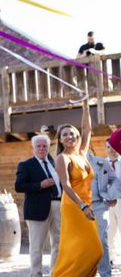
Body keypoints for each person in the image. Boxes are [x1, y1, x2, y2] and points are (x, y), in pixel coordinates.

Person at [52, 102, 103, 276]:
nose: (69, 136)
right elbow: (65, 185)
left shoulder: (81, 153)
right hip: (74, 207)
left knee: (89, 250)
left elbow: (86, 129)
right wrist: (82, 206)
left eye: (72, 133)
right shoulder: (62, 158)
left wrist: (86, 106)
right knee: (93, 250)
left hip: (87, 206)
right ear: (60, 139)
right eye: (65, 134)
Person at [14, 134, 62, 277]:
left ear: (48, 148)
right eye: (39, 146)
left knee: (59, 243)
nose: (42, 149)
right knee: (36, 246)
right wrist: (39, 185)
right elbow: (19, 186)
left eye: (44, 146)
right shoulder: (26, 165)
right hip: (37, 209)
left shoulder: (53, 163)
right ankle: (36, 274)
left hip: (58, 206)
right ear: (33, 148)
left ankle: (55, 273)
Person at [88, 148, 121, 277]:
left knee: (102, 240)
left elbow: (114, 180)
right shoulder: (65, 160)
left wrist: (111, 195)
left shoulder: (99, 162)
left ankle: (106, 273)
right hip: (74, 207)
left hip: (99, 205)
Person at [106, 138, 121, 262]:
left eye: (113, 147)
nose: (111, 150)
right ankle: (112, 258)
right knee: (109, 231)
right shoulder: (101, 164)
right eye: (108, 147)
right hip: (107, 202)